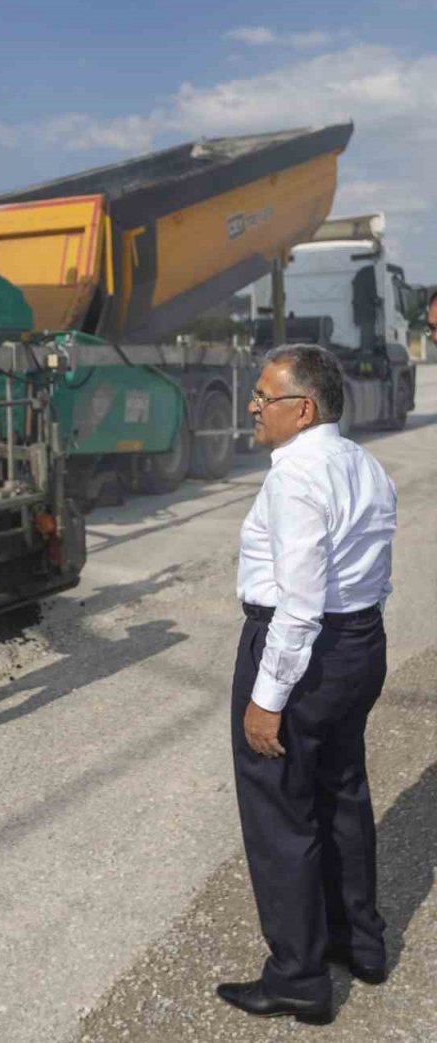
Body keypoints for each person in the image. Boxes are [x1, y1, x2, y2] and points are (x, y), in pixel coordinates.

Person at [217, 343, 397, 1026]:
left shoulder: (296, 475)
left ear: (305, 408)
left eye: (265, 395)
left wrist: (268, 698)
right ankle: (361, 942)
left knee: (281, 810)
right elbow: (370, 570)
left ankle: (297, 975)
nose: (254, 406)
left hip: (304, 648)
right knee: (342, 788)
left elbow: (298, 603)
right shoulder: (365, 463)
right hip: (358, 644)